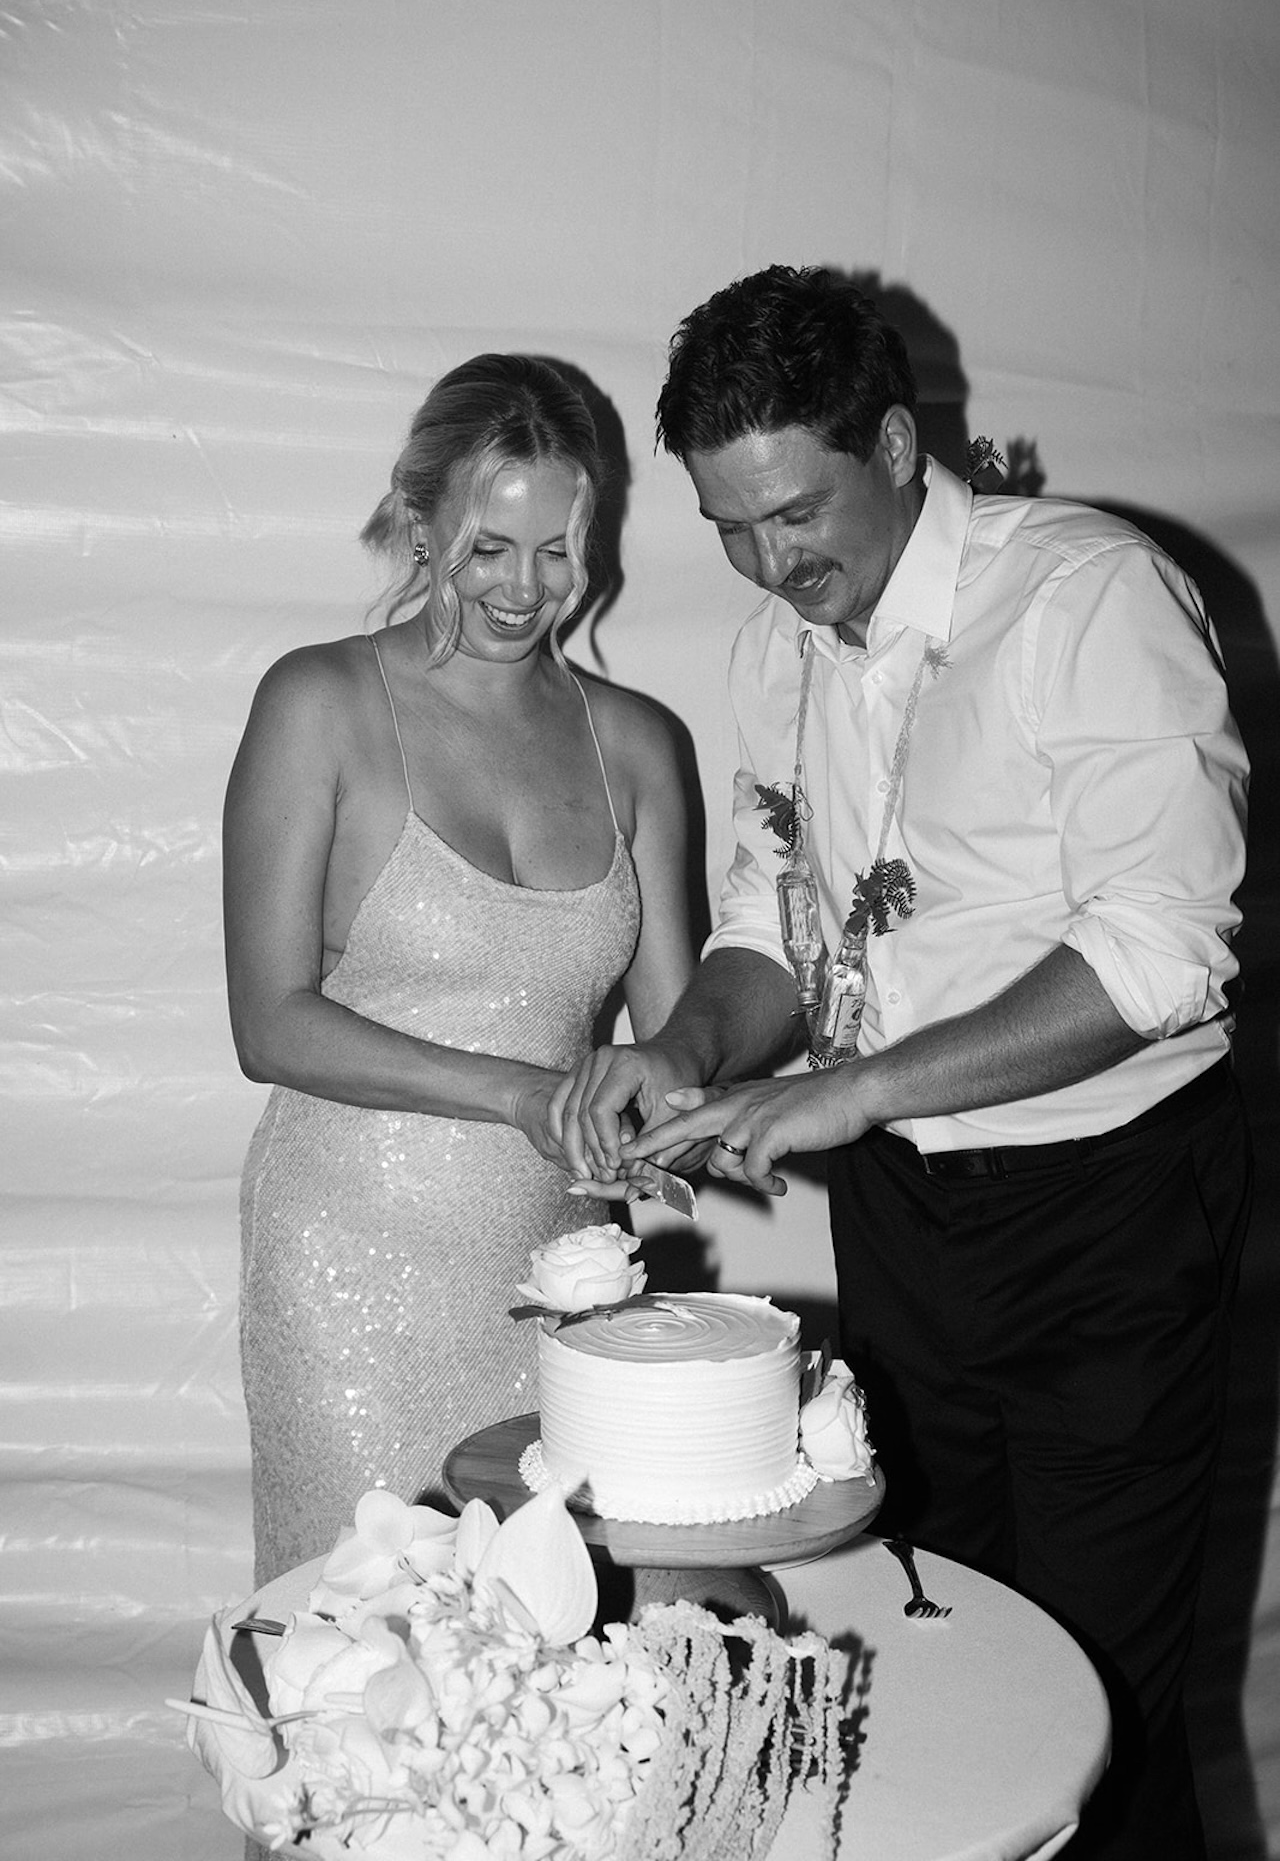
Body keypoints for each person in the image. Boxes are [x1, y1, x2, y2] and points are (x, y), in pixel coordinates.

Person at [561, 267, 1251, 1859]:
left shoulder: (1088, 596)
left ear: (891, 441)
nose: (768, 564)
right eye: (728, 528)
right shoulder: (770, 655)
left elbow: (1165, 949)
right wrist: (682, 1050)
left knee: (1100, 1710)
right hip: (906, 1230)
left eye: (794, 513)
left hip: (1110, 1222)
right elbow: (772, 929)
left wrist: (854, 1085)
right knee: (946, 1652)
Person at [224, 353, 693, 1587]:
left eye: (556, 550)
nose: (524, 588)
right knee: (365, 1652)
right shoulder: (318, 702)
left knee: (550, 1648)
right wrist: (522, 1094)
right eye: (490, 545)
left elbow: (678, 1036)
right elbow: (270, 1025)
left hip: (559, 1273)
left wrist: (677, 1110)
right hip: (350, 1267)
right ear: (419, 518)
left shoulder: (638, 743)